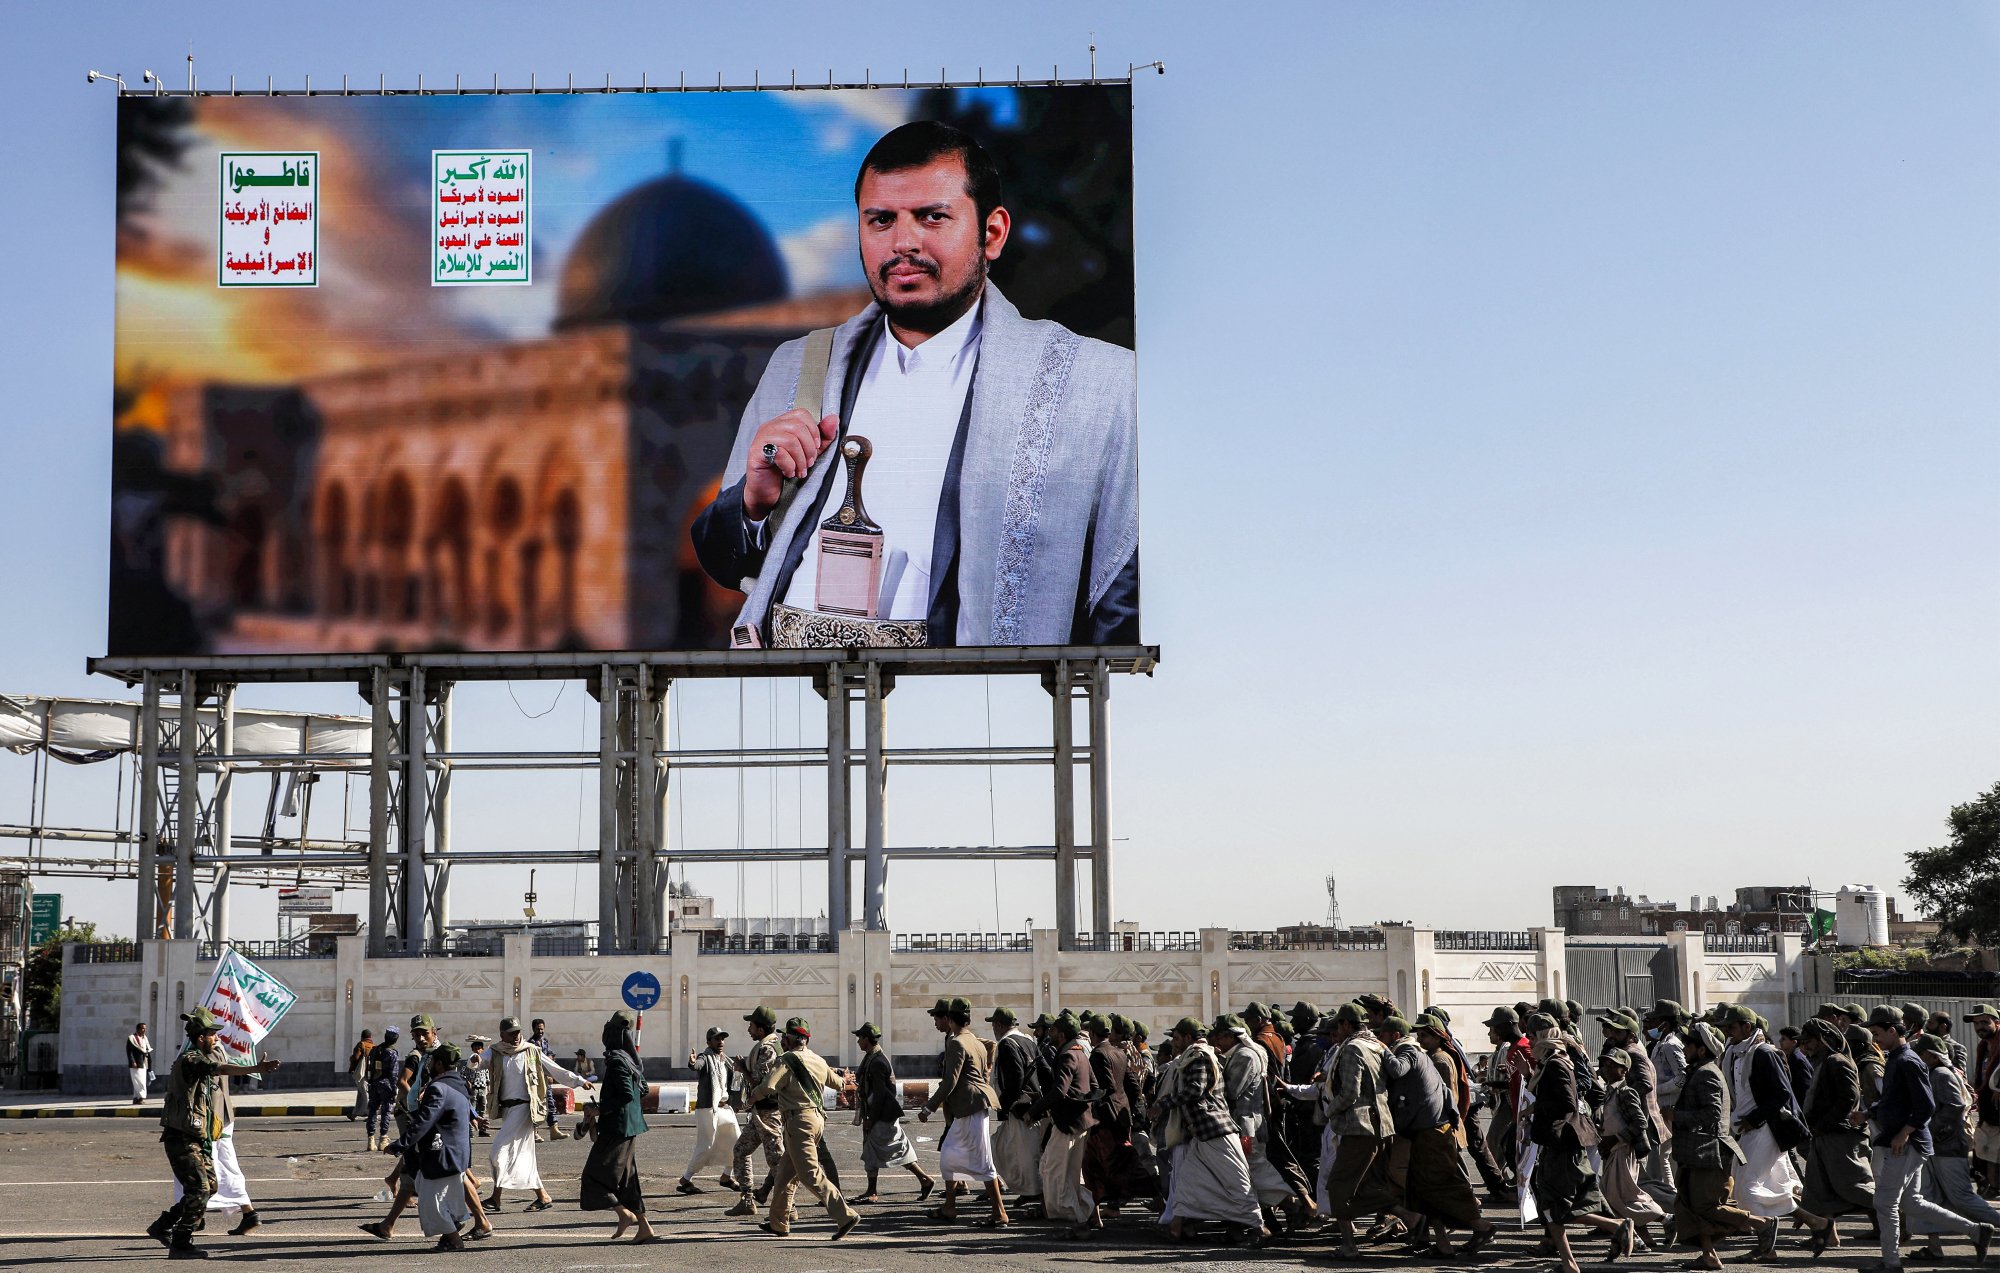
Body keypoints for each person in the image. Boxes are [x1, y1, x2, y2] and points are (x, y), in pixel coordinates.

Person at [689, 119, 1140, 649]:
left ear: (991, 233)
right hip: (799, 691)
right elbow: (725, 562)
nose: (904, 243)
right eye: (881, 220)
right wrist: (753, 505)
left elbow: (1121, 591)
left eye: (932, 217)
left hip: (965, 698)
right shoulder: (801, 365)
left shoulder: (1094, 382)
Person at [1863, 1005, 1993, 1268]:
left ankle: (1891, 1263)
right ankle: (1977, 1231)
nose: (1874, 1039)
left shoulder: (1908, 1061)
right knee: (1912, 1202)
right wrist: (1867, 1114)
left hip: (1908, 1143)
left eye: (1876, 1033)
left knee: (1885, 1201)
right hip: (1908, 1142)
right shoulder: (1896, 1059)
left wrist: (1904, 1132)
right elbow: (1894, 1101)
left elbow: (1926, 1106)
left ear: (1891, 1030)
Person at [146, 1008, 280, 1260]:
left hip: (197, 1137)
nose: (217, 1038)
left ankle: (162, 1225)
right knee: (199, 1189)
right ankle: (181, 1243)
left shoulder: (202, 1057)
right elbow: (221, 1068)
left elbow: (219, 1067)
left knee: (211, 1186)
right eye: (212, 1035)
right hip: (181, 1137)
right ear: (200, 1038)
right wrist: (255, 1067)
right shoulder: (191, 1059)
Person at [1378, 1015, 1496, 1257]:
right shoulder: (1427, 1056)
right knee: (1424, 1190)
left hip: (1434, 1132)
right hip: (1425, 1132)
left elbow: (1445, 1093)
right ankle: (1441, 1244)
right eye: (1418, 1035)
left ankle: (1481, 1227)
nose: (1420, 1039)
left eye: (1425, 1035)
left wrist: (1381, 1049)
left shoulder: (1425, 1056)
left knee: (1444, 1186)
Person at [1523, 1011, 1628, 1273]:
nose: (1530, 1041)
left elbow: (1567, 1103)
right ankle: (1569, 1264)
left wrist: (1536, 1108)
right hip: (1557, 1143)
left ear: (1543, 1036)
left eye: (1532, 1036)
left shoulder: (1557, 1063)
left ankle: (1617, 1226)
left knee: (1556, 1206)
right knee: (1552, 1204)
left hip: (1563, 1143)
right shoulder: (1549, 1062)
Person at [1153, 1016, 1263, 1243]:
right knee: (1186, 1182)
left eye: (1176, 1038)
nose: (1173, 1042)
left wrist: (1162, 1105)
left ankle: (1260, 1228)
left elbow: (1195, 1089)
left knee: (1238, 1181)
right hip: (1200, 1133)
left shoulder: (1199, 1057)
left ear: (1188, 1038)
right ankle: (1176, 1228)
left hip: (1216, 1130)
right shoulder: (1194, 1055)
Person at [750, 1017, 859, 1239]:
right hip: (816, 1120)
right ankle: (778, 1223)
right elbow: (839, 1084)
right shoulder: (818, 1060)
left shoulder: (786, 1060)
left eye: (784, 1036)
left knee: (810, 1174)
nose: (781, 1040)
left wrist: (753, 1096)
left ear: (790, 1039)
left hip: (798, 1121)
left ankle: (844, 1215)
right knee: (784, 1175)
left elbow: (769, 1085)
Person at [1672, 1022, 1769, 1270]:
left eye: (1688, 1045)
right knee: (1690, 1207)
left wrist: (1676, 1116)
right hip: (1694, 1152)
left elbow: (1712, 1115)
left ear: (1702, 1050)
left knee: (1707, 1206)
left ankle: (1761, 1224)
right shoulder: (1699, 1070)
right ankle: (1709, 1255)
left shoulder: (1706, 1074)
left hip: (1708, 1152)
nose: (1683, 1049)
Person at [485, 1015, 594, 1210]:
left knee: (498, 1153)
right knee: (523, 1155)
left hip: (525, 1109)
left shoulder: (531, 1051)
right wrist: (473, 1061)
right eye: (511, 1034)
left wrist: (579, 1081)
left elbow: (555, 1069)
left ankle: (496, 1197)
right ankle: (540, 1196)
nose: (516, 1037)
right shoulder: (496, 1052)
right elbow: (478, 1062)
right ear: (502, 1035)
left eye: (518, 1032)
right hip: (507, 1110)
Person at [918, 996, 1007, 1225]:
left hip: (970, 1106)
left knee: (981, 1160)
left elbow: (950, 1082)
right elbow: (989, 1048)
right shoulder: (974, 1040)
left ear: (949, 1018)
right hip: (972, 1106)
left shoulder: (957, 1043)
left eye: (938, 1018)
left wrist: (928, 1108)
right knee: (951, 1156)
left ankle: (998, 1213)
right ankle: (950, 1206)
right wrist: (984, 1074)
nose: (935, 1023)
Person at [1792, 1017, 1876, 1255]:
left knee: (1856, 1187)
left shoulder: (1838, 1062)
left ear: (1822, 1040)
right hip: (1823, 1134)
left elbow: (1848, 1099)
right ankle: (1828, 1237)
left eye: (1807, 1042)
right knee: (1817, 1191)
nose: (1804, 1047)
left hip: (1841, 1137)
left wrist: (1825, 1124)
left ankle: (1896, 1219)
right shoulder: (1823, 1062)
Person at [1318, 1002, 1396, 1259]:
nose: (1335, 1032)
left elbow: (1350, 1092)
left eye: (1338, 1025)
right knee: (1368, 1185)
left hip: (1360, 1126)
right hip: (1380, 1124)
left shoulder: (1352, 1048)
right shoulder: (1376, 1045)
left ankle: (1349, 1246)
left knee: (1339, 1186)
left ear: (1346, 1024)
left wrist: (1330, 1110)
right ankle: (1408, 1216)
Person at [383, 1041, 477, 1251]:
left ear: (440, 1063)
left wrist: (399, 1145)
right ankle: (451, 1231)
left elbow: (423, 1122)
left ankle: (453, 1237)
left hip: (441, 1153)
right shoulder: (458, 1082)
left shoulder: (438, 1088)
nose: (429, 1064)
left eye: (432, 1060)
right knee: (446, 1196)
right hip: (459, 1153)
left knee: (428, 1199)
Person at [1717, 1005, 1799, 1240]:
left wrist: (1754, 1119)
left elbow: (1783, 1093)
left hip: (1763, 1128)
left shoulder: (1764, 1052)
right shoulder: (1734, 1053)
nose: (1729, 1033)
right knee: (1775, 1187)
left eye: (1732, 1028)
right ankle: (1819, 1223)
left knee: (1746, 1187)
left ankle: (1764, 1236)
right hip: (1743, 1127)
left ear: (1747, 1027)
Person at [1915, 1032, 2000, 1260]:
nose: (1917, 1056)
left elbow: (1954, 1106)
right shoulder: (1934, 1072)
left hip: (1948, 1147)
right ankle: (1934, 1248)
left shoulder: (1941, 1074)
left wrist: (1930, 1130)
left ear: (1931, 1056)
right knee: (1931, 1197)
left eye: (1920, 1053)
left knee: (1962, 1197)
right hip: (1938, 1147)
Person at [580, 1011, 659, 1243]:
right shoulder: (629, 1058)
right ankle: (644, 1226)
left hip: (617, 1129)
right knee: (627, 1180)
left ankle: (623, 1214)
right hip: (628, 1127)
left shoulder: (616, 1060)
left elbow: (626, 1094)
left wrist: (599, 1109)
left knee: (593, 1176)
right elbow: (641, 1089)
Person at [849, 1021, 937, 1203]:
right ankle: (921, 1180)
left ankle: (923, 1180)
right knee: (883, 1149)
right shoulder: (873, 1058)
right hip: (880, 1114)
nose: (858, 1042)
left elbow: (880, 1095)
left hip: (882, 1116)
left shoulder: (877, 1062)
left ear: (867, 1039)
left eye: (860, 1038)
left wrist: (871, 1120)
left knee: (894, 1149)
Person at [1595, 1046, 1666, 1252]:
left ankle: (1664, 1218)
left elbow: (1640, 1123)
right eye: (1605, 1065)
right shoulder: (1609, 1092)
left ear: (1624, 1070)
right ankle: (1641, 1240)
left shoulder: (1626, 1092)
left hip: (1624, 1150)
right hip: (1612, 1150)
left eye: (1613, 1066)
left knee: (1623, 1197)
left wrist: (1615, 1138)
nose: (1607, 1069)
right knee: (1616, 1195)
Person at [1036, 1010, 1097, 1234]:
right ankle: (1080, 1216)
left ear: (1061, 1034)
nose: (1049, 1033)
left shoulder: (1067, 1055)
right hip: (1081, 1122)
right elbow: (1094, 1086)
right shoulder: (1079, 1052)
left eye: (1053, 1030)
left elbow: (1059, 1091)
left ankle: (1070, 1215)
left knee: (1051, 1169)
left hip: (1067, 1123)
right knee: (1069, 1174)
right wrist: (1083, 1104)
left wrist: (1034, 1111)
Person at [726, 1005, 785, 1215]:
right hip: (760, 1113)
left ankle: (789, 1206)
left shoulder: (768, 1049)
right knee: (741, 1151)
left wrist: (742, 1068)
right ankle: (748, 1200)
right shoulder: (766, 1046)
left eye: (751, 1025)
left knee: (777, 1161)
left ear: (761, 1029)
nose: (748, 1029)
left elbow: (764, 1085)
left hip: (769, 1113)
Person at [987, 1006, 1043, 1208]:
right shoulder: (1028, 1040)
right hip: (1032, 1105)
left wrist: (1005, 1105)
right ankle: (1030, 1189)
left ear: (1000, 1025)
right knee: (1012, 1147)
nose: (993, 1029)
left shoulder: (1007, 1044)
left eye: (994, 1024)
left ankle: (1032, 1191)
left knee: (1023, 1151)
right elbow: (1043, 1069)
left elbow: (1015, 1079)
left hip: (1020, 1107)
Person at [679, 1027, 740, 1194]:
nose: (720, 1042)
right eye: (716, 1039)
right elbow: (697, 1065)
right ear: (709, 1042)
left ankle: (727, 1177)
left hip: (724, 1108)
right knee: (705, 1146)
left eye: (722, 1039)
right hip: (708, 1108)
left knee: (738, 1142)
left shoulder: (725, 1060)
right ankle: (685, 1180)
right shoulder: (705, 1057)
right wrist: (692, 1062)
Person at [1968, 1004, 2000, 1198]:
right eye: (1976, 1023)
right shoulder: (1984, 1046)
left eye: (1984, 1022)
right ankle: (1990, 1186)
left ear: (1996, 1023)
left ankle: (1993, 1187)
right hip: (1988, 1106)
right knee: (1986, 1149)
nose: (1980, 1027)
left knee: (1993, 1150)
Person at [526, 1019, 566, 1141]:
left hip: (546, 1079)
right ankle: (534, 1132)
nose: (540, 1031)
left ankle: (554, 1130)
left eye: (542, 1028)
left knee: (550, 1103)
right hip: (535, 1080)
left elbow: (550, 1055)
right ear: (533, 1029)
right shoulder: (530, 1044)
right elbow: (531, 1063)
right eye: (538, 1029)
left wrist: (551, 1070)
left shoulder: (545, 1042)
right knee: (535, 1105)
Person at [364, 1027, 401, 1151]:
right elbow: (393, 1074)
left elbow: (370, 1067)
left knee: (373, 1110)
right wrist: (394, 1089)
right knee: (386, 1112)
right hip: (386, 1085)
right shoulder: (392, 1053)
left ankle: (370, 1139)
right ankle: (383, 1139)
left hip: (374, 1083)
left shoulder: (376, 1049)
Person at [346, 1030, 373, 1120]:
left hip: (361, 1073)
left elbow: (356, 1057)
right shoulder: (374, 1046)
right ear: (370, 1037)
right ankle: (354, 1114)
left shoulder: (361, 1045)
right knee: (361, 1094)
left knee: (365, 1094)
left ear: (362, 1037)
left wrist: (351, 1059)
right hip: (371, 1074)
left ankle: (371, 1115)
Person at [127, 1021, 154, 1105]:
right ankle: (142, 1097)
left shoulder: (144, 1038)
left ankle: (136, 1098)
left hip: (144, 1062)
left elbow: (147, 1051)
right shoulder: (132, 1038)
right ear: (138, 1029)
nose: (144, 1030)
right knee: (139, 1081)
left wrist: (149, 1064)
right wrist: (132, 1061)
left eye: (145, 1029)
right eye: (142, 1028)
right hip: (136, 1063)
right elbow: (129, 1052)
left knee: (140, 1081)